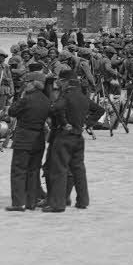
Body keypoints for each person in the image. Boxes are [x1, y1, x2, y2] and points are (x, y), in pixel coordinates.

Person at [45, 69, 102, 211]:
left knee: (59, 170)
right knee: (79, 170)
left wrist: (64, 123)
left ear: (66, 82)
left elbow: (55, 109)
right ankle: (83, 201)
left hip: (64, 137)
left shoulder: (66, 96)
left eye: (60, 81)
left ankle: (58, 204)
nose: (59, 83)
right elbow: (99, 110)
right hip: (78, 137)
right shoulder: (83, 97)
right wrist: (87, 123)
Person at [5, 70, 54, 211]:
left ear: (34, 83)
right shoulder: (46, 100)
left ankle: (18, 203)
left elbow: (12, 111)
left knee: (18, 171)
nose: (25, 84)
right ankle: (31, 202)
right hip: (38, 139)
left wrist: (20, 97)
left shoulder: (26, 98)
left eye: (27, 82)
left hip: (23, 138)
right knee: (33, 171)